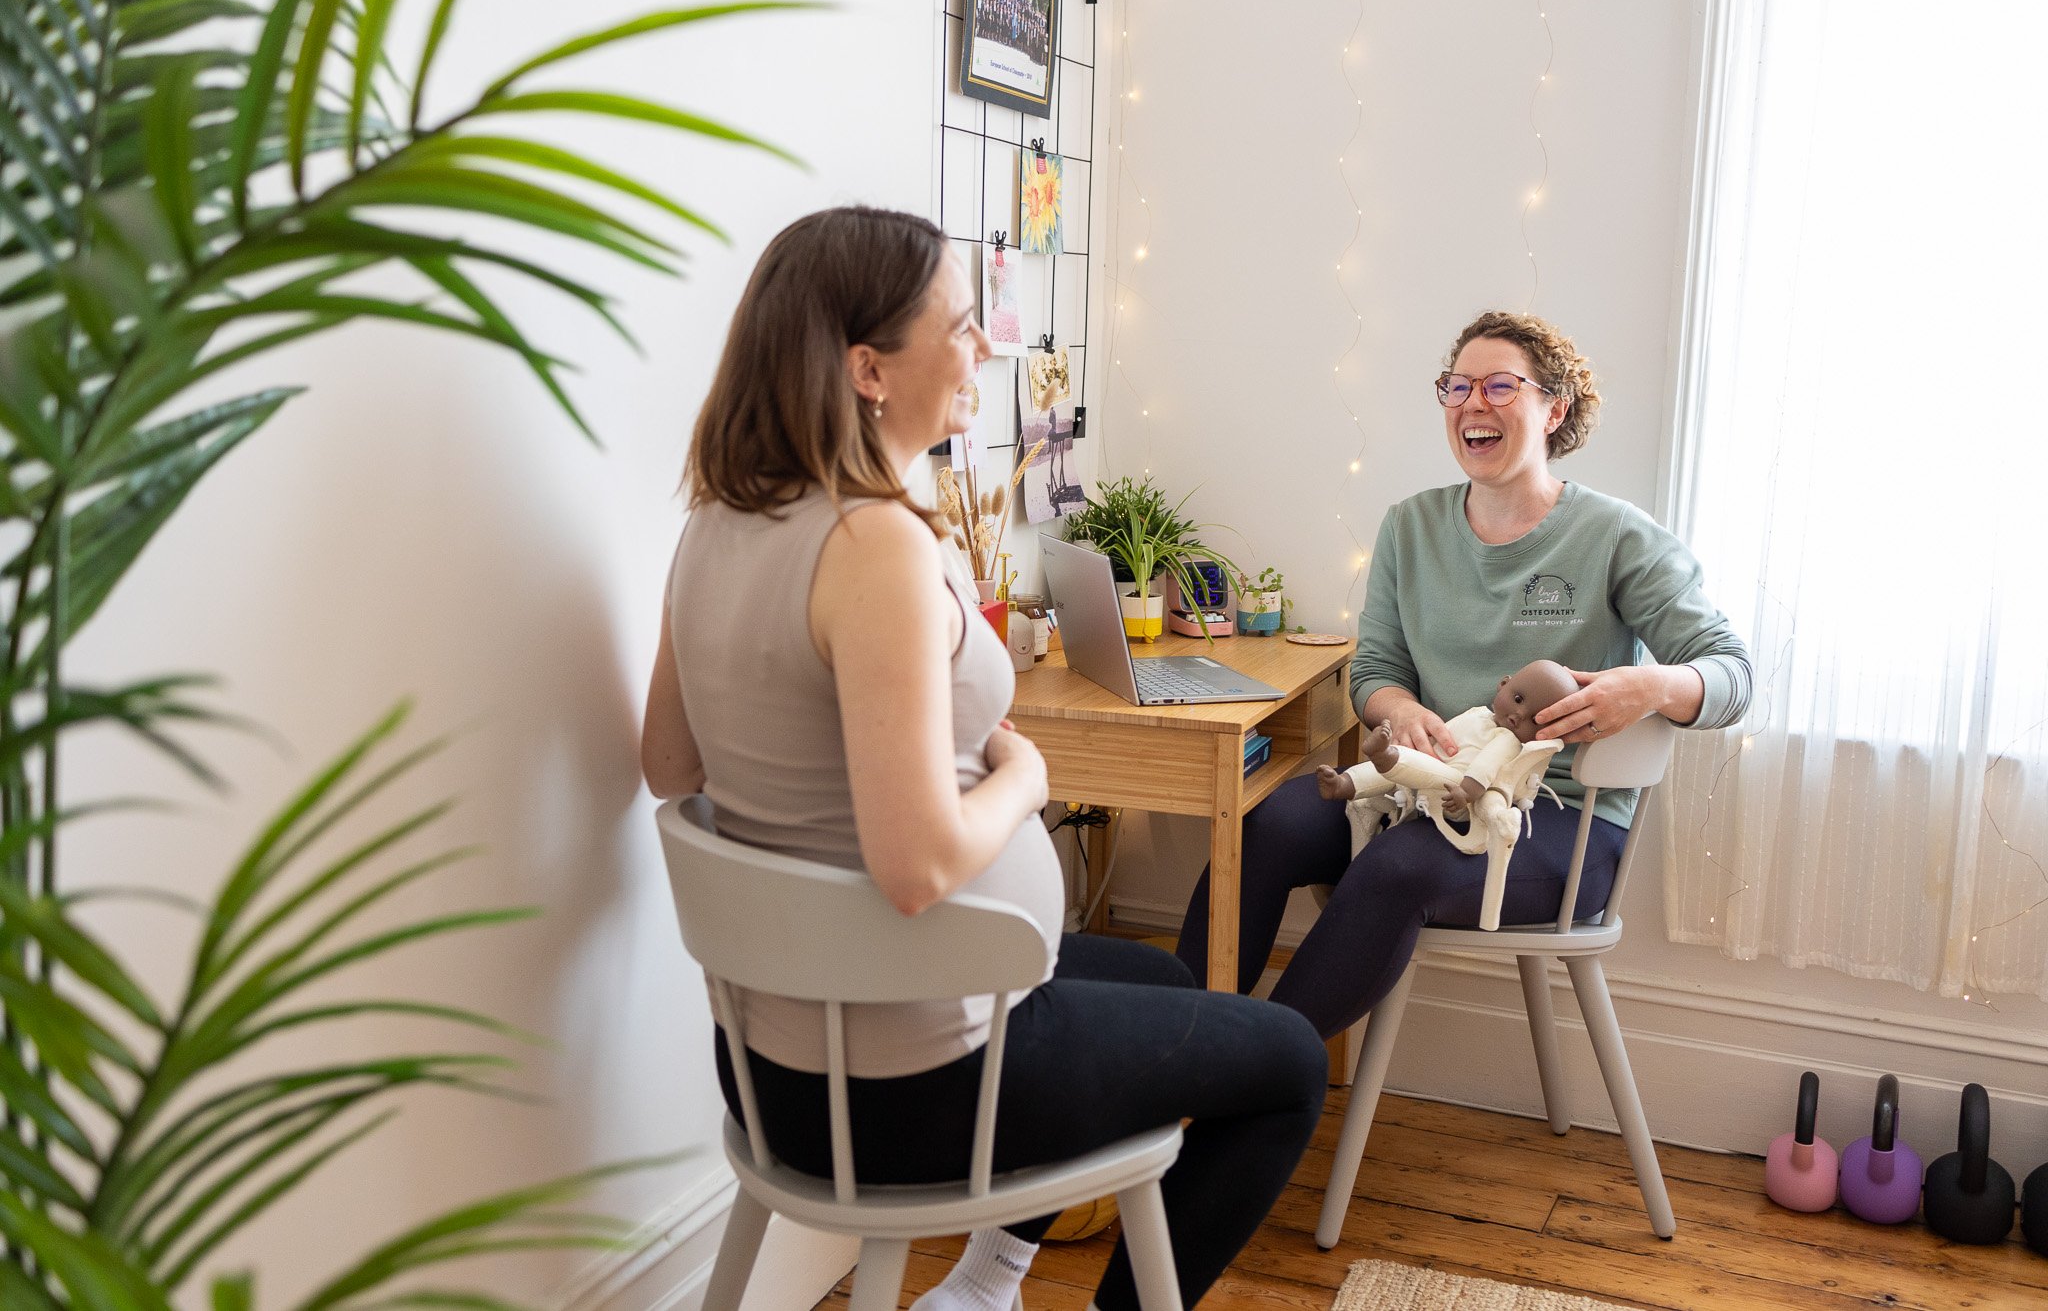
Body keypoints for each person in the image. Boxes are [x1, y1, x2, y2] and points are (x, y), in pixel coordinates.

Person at [641, 207, 1326, 1311]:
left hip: (771, 1061)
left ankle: (984, 1285)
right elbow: (913, 869)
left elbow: (669, 764)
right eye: (960, 328)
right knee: (1288, 1060)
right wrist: (1024, 776)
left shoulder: (718, 518)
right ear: (868, 368)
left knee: (1152, 975)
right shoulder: (872, 547)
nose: (985, 350)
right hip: (911, 1085)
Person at [1176, 310, 1753, 1039]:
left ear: (1555, 409)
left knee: (1394, 869)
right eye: (1457, 386)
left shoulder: (1616, 535)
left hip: (1559, 823)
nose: (1473, 402)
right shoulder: (1409, 527)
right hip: (1420, 790)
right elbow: (1377, 670)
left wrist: (1652, 688)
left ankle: (1247, 1069)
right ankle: (1173, 1040)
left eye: (1501, 386)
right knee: (1267, 825)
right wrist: (1399, 708)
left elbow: (1732, 672)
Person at [1313, 659, 1579, 931]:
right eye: (1518, 698)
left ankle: (1382, 760)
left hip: (1452, 784)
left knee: (1403, 766)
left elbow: (1484, 768)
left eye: (1534, 719)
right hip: (1431, 763)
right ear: (1503, 684)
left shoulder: (1508, 741)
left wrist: (1467, 792)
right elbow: (1446, 733)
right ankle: (1345, 783)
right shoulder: (1476, 714)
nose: (1518, 715)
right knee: (1398, 767)